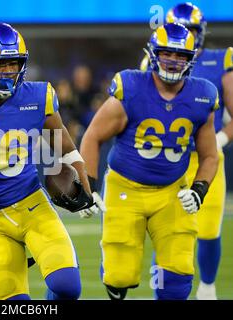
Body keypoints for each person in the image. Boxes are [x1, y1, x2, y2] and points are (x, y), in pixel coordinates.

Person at [0, 23, 104, 300]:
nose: (8, 72)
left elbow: (68, 151)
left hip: (32, 205)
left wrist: (86, 190)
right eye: (0, 65)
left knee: (67, 287)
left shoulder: (37, 97)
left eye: (14, 63)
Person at [80, 23, 219, 300]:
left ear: (192, 58)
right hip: (126, 189)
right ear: (153, 53)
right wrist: (88, 188)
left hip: (172, 191)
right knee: (120, 275)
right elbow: (92, 136)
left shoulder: (202, 94)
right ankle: (114, 275)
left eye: (181, 55)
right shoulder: (131, 87)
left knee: (179, 272)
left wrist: (199, 189)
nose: (174, 60)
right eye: (168, 53)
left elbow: (210, 155)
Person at [140, 3, 233, 299]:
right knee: (167, 234)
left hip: (206, 159)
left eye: (191, 31)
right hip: (170, 160)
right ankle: (162, 295)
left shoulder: (221, 60)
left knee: (207, 231)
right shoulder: (148, 65)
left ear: (201, 33)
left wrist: (218, 138)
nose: (184, 39)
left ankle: (207, 287)